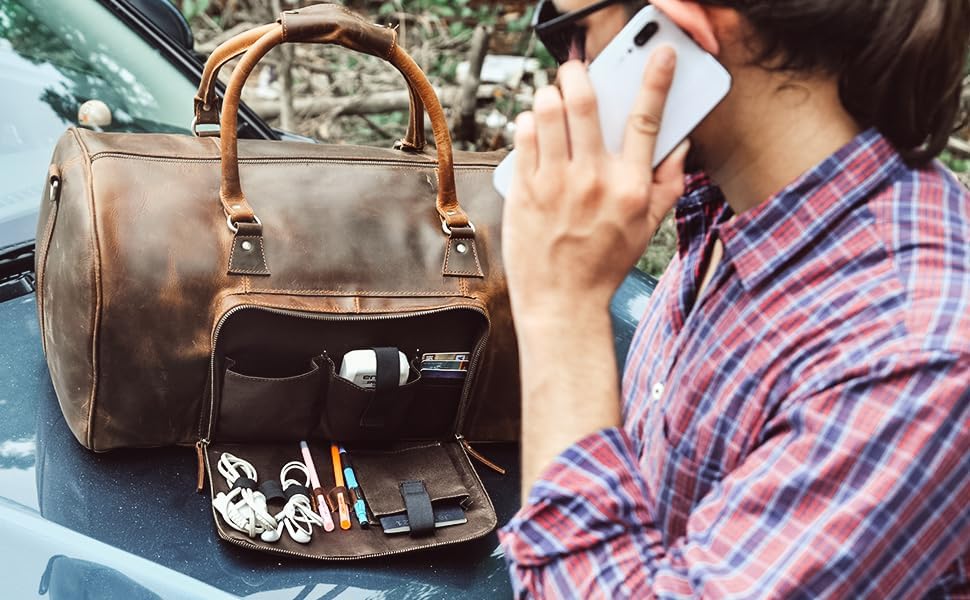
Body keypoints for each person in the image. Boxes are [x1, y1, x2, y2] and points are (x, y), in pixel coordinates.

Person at [497, 0, 970, 597]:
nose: (571, 70)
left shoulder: (911, 348)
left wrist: (561, 311)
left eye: (571, 33)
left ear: (677, 25)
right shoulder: (727, 204)